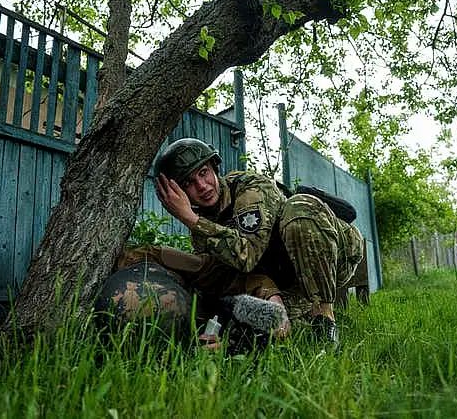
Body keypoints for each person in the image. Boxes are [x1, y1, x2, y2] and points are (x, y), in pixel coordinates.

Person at [153, 138, 364, 347]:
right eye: (189, 183)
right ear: (178, 193)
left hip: (339, 253)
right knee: (272, 324)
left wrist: (190, 219)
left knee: (300, 208)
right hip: (290, 276)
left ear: (214, 167)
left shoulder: (250, 188)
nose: (202, 186)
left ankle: (325, 318)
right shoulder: (202, 227)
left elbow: (246, 256)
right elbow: (226, 278)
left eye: (203, 173)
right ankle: (302, 314)